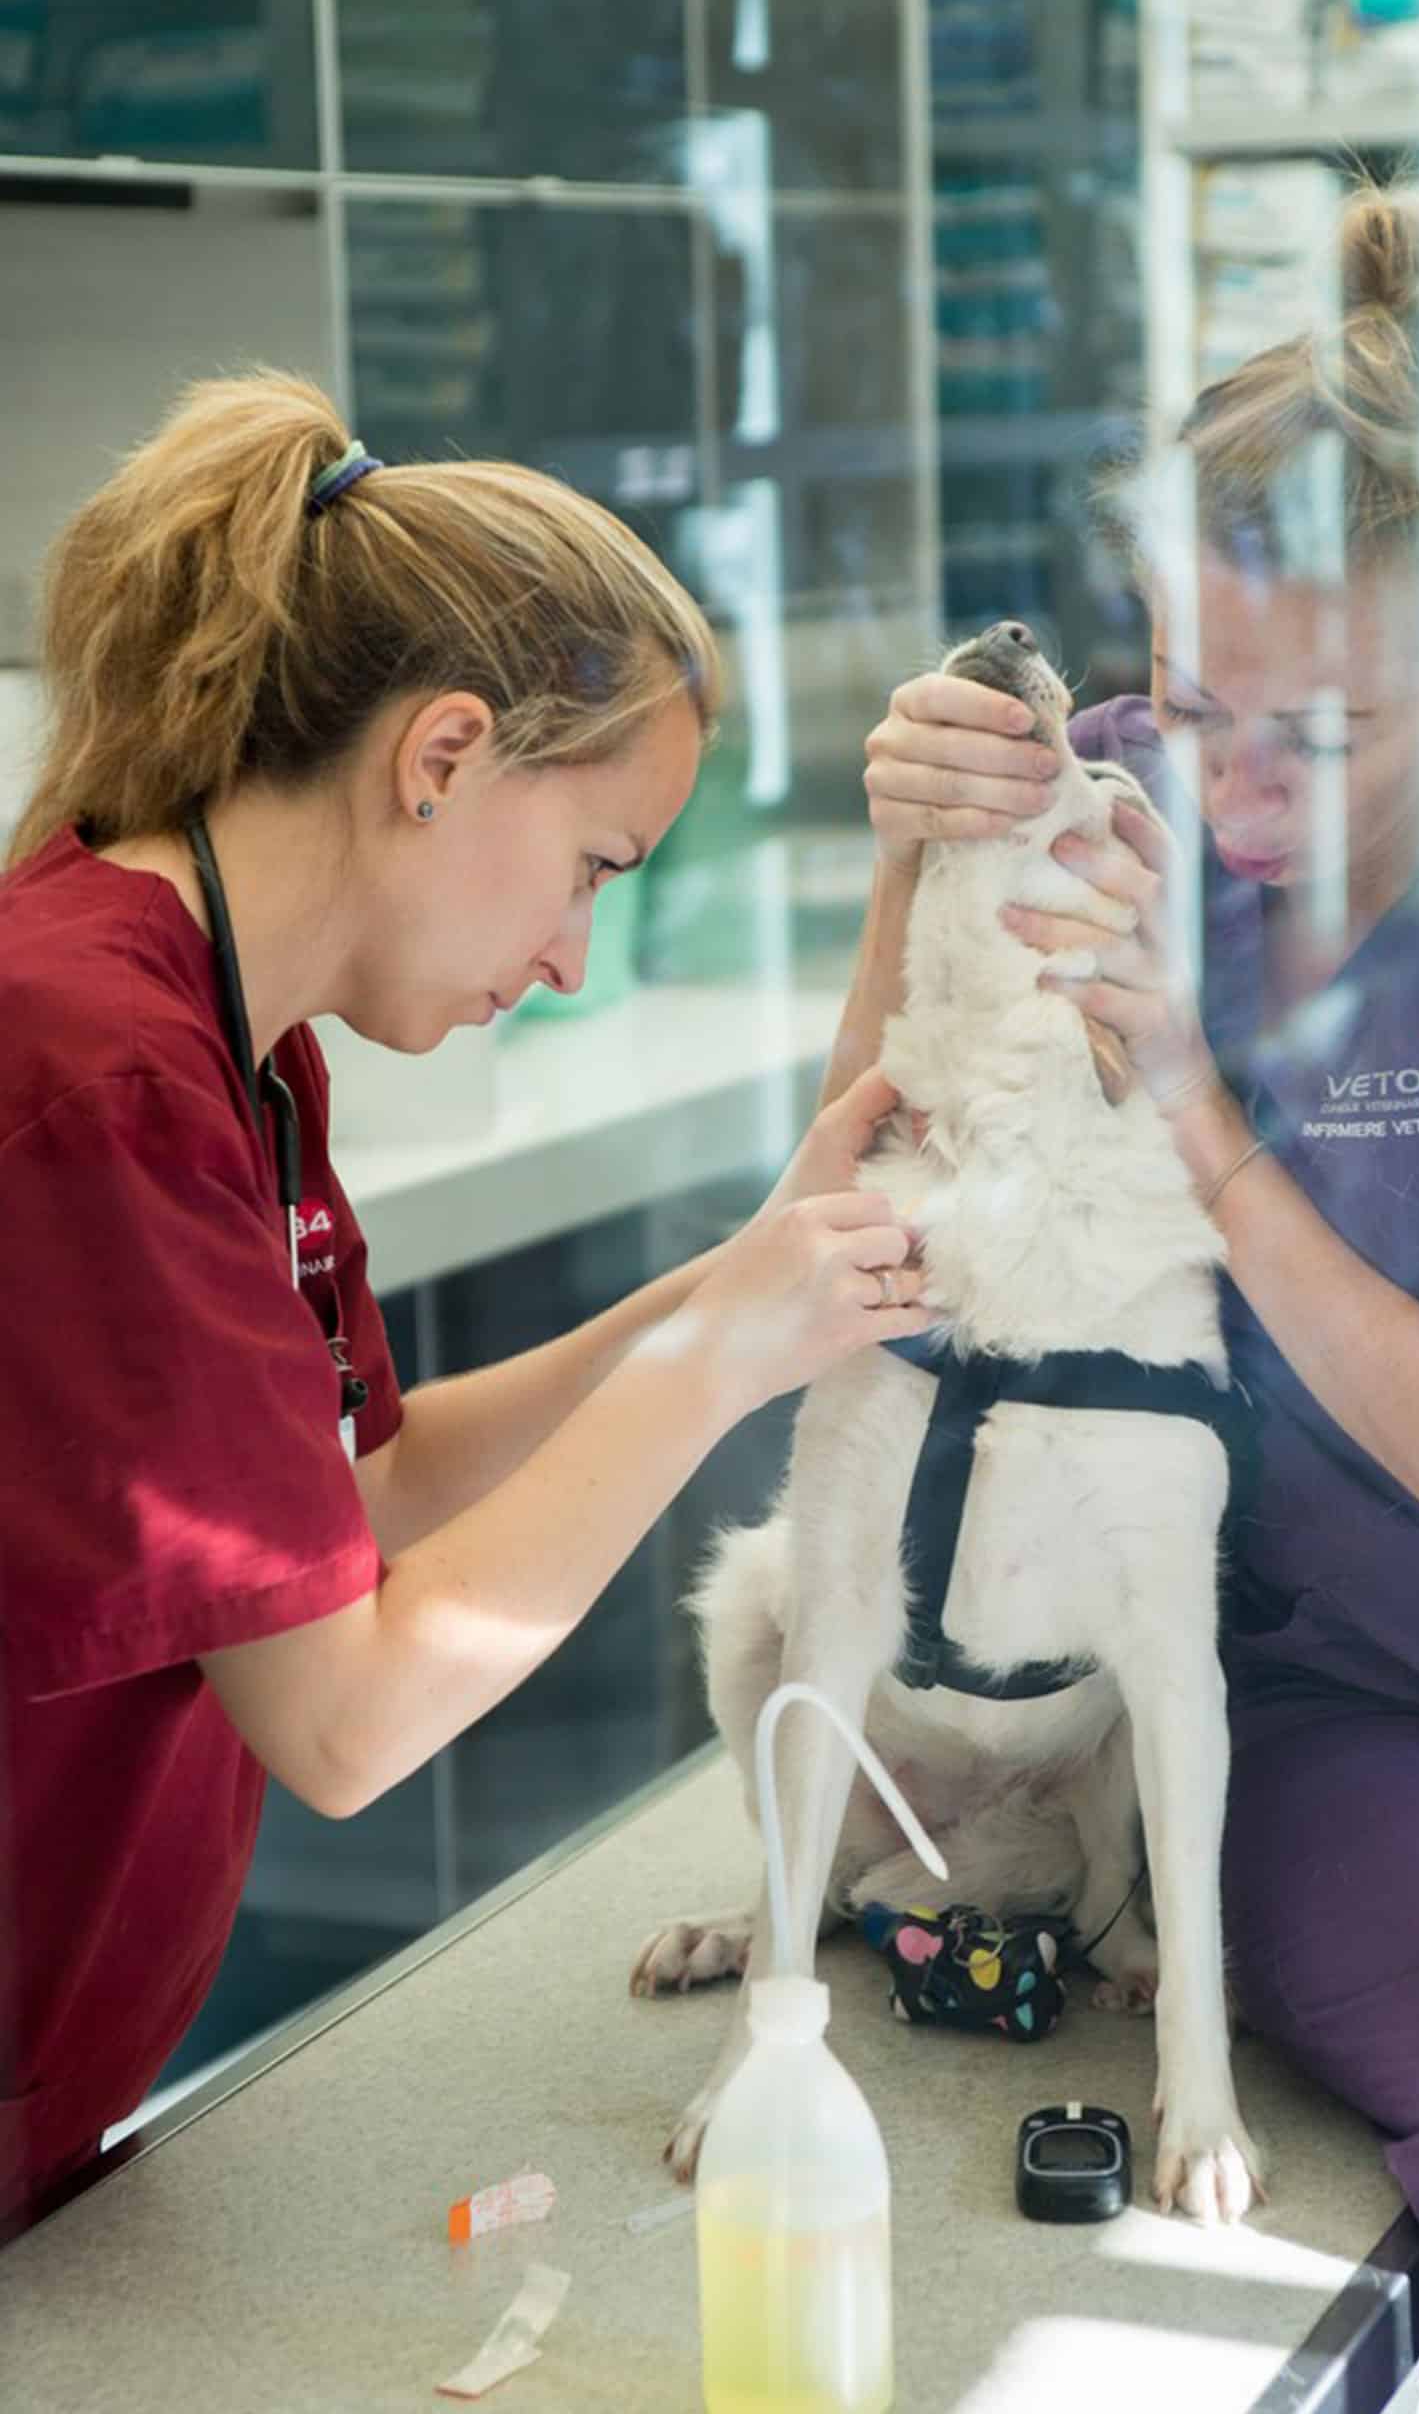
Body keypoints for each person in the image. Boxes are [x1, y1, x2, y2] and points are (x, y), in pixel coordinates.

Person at [828, 194, 1419, 2413]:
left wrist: (1197, 1111)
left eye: (1319, 725)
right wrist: (915, 864)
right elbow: (866, 1215)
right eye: (1203, 700)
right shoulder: (1116, 791)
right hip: (1297, 1686)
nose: (1242, 782)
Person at [0, 372, 931, 2230]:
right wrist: (716, 1366)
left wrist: (740, 1284)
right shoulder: (92, 1072)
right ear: (441, 757)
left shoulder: (239, 1042)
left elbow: (364, 1493)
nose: (577, 957)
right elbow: (343, 1720)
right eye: (592, 868)